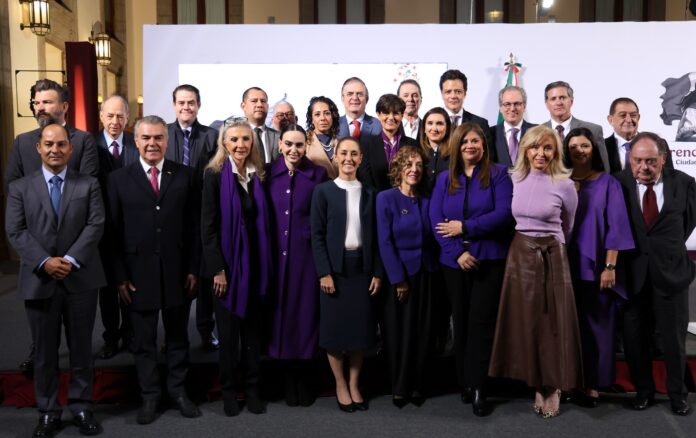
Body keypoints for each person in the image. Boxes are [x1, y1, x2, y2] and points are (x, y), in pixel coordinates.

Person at [6, 123, 105, 437]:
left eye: (61, 145)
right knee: (45, 353)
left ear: (70, 149)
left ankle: (81, 406)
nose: (55, 150)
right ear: (39, 148)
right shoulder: (20, 188)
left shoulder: (88, 184)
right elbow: (16, 231)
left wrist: (70, 260)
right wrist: (45, 262)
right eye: (49, 144)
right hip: (40, 281)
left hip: (80, 278)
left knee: (81, 350)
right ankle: (48, 410)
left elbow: (95, 224)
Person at [108, 115, 201, 425]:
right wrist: (119, 276)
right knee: (143, 341)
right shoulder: (118, 179)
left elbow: (194, 228)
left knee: (178, 337)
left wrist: (192, 268)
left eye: (158, 138)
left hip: (178, 272)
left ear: (167, 140)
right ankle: (149, 396)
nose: (152, 143)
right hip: (136, 274)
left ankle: (178, 392)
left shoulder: (186, 175)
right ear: (136, 142)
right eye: (146, 138)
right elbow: (112, 232)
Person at [4, 78, 98, 373]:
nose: (40, 107)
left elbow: (89, 190)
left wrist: (69, 255)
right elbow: (12, 187)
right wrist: (41, 255)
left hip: (76, 251)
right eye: (37, 102)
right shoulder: (23, 142)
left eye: (47, 101)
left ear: (64, 106)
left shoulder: (83, 141)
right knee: (43, 339)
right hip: (37, 251)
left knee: (80, 342)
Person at [489, 125, 582, 419]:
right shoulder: (513, 178)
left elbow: (569, 225)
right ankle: (535, 383)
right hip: (519, 254)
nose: (540, 153)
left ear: (555, 151)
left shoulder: (565, 183)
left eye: (547, 148)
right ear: (524, 150)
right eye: (534, 147)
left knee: (553, 323)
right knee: (526, 322)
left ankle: (553, 386)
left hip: (553, 254)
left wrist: (552, 246)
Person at [429, 123, 514, 416]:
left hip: (489, 259)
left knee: (482, 322)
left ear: (484, 145)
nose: (470, 145)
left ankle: (480, 386)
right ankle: (464, 381)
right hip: (455, 263)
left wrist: (466, 227)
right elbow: (436, 221)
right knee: (461, 322)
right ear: (456, 145)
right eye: (465, 140)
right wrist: (458, 253)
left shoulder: (499, 174)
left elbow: (504, 215)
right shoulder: (444, 179)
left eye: (476, 140)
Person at [616, 132, 696, 416]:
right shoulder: (618, 183)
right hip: (633, 275)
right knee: (635, 338)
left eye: (651, 161)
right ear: (630, 159)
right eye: (638, 161)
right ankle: (644, 392)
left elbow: (687, 223)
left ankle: (678, 395)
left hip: (671, 274)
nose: (644, 167)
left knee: (674, 340)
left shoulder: (684, 184)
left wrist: (666, 250)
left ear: (663, 159)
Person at [201, 118, 272, 416]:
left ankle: (253, 388)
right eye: (234, 140)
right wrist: (218, 268)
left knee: (253, 334)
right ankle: (229, 391)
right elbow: (208, 226)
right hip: (227, 270)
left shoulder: (259, 175)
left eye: (245, 139)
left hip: (256, 266)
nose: (241, 145)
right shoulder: (214, 175)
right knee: (229, 336)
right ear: (224, 144)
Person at [563, 127, 634, 407]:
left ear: (594, 149)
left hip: (597, 267)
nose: (579, 150)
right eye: (573, 146)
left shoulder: (608, 184)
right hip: (564, 266)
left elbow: (616, 227)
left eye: (585, 145)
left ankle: (593, 384)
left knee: (598, 328)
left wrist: (609, 266)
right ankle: (569, 381)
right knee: (568, 328)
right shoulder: (560, 181)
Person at [311, 137, 382, 413]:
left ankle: (354, 383)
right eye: (344, 153)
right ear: (337, 157)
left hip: (362, 269)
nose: (349, 158)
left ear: (361, 158)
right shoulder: (323, 192)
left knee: (360, 332)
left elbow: (376, 238)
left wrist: (377, 272)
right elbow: (316, 236)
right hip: (335, 271)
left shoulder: (371, 193)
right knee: (333, 331)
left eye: (354, 153)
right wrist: (324, 272)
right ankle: (340, 384)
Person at [265, 124, 328, 406]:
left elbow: (322, 219)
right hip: (275, 258)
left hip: (306, 259)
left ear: (306, 146)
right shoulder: (266, 174)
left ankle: (306, 380)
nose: (293, 150)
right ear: (280, 145)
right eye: (288, 144)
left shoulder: (318, 174)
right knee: (280, 318)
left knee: (305, 318)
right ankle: (286, 380)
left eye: (299, 145)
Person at [376, 146, 438, 408]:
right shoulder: (385, 198)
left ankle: (417, 385)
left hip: (427, 273)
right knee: (399, 333)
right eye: (408, 165)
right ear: (398, 169)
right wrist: (398, 279)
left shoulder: (427, 199)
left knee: (423, 332)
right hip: (400, 277)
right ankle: (399, 386)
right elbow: (384, 241)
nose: (414, 170)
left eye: (418, 166)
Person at [166, 84, 220, 352]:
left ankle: (206, 331)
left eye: (191, 103)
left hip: (203, 212)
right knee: (178, 279)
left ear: (198, 105)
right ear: (174, 105)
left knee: (206, 277)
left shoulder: (212, 135)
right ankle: (176, 337)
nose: (186, 108)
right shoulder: (163, 134)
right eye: (181, 103)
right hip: (173, 216)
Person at [95, 95, 139, 360]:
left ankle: (131, 333)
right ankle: (111, 336)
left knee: (132, 284)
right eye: (110, 116)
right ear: (101, 116)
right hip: (102, 228)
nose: (115, 121)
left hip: (132, 227)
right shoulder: (89, 145)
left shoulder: (137, 144)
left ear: (127, 118)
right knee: (108, 287)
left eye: (120, 116)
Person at [542, 81, 610, 172]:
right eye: (553, 99)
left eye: (562, 97)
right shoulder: (536, 133)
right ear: (546, 104)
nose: (558, 102)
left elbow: (604, 170)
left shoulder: (594, 130)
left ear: (571, 101)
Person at [357, 94, 418, 192]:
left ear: (402, 115)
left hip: (404, 200)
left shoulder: (413, 144)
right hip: (375, 201)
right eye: (386, 113)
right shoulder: (367, 144)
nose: (391, 117)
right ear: (378, 114)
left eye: (395, 113)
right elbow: (365, 177)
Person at [605, 97, 675, 173]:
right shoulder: (601, 147)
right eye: (623, 115)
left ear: (638, 118)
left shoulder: (658, 143)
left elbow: (670, 177)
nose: (629, 120)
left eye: (633, 115)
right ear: (610, 120)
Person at [489, 86, 536, 166]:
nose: (512, 108)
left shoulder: (536, 131)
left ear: (524, 107)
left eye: (517, 104)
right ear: (500, 108)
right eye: (507, 104)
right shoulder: (490, 133)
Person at [438, 69, 490, 137]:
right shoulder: (431, 123)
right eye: (448, 92)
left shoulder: (480, 124)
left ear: (465, 93)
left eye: (458, 92)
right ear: (442, 94)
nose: (453, 96)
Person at [241, 86, 280, 163]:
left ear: (268, 107)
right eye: (254, 101)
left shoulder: (279, 137)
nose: (259, 105)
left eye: (263, 101)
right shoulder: (233, 137)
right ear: (243, 106)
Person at [305, 96, 340, 179]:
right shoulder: (305, 142)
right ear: (312, 119)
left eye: (327, 113)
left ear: (333, 116)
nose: (323, 118)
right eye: (317, 114)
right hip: (315, 190)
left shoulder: (341, 142)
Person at [418, 107, 452, 188]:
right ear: (424, 128)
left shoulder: (456, 154)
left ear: (447, 129)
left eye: (439, 123)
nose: (434, 128)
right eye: (430, 123)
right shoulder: (416, 151)